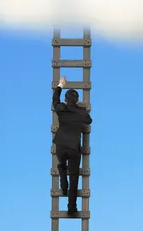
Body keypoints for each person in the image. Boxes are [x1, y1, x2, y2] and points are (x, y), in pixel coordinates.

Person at [52, 76, 93, 215]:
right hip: (74, 147)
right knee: (74, 177)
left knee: (61, 165)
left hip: (61, 145)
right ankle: (71, 208)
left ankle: (63, 186)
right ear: (76, 100)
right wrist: (82, 109)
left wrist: (60, 85)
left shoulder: (61, 108)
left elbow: (54, 101)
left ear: (65, 100)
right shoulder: (81, 112)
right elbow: (89, 121)